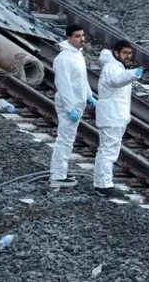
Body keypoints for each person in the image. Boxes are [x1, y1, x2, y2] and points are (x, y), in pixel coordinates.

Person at [93, 40, 144, 198]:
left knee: (108, 149)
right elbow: (116, 81)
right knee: (108, 150)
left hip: (114, 115)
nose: (128, 56)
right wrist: (133, 74)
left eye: (130, 53)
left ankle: (101, 183)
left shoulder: (117, 66)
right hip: (112, 115)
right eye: (125, 53)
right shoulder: (112, 67)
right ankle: (104, 185)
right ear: (116, 53)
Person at [49, 24, 94, 189]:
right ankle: (58, 175)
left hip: (77, 102)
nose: (82, 39)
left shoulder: (77, 54)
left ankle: (61, 172)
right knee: (65, 139)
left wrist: (89, 96)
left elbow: (81, 79)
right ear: (68, 38)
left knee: (68, 139)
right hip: (69, 104)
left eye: (82, 35)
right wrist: (70, 109)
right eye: (77, 36)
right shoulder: (63, 59)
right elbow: (64, 85)